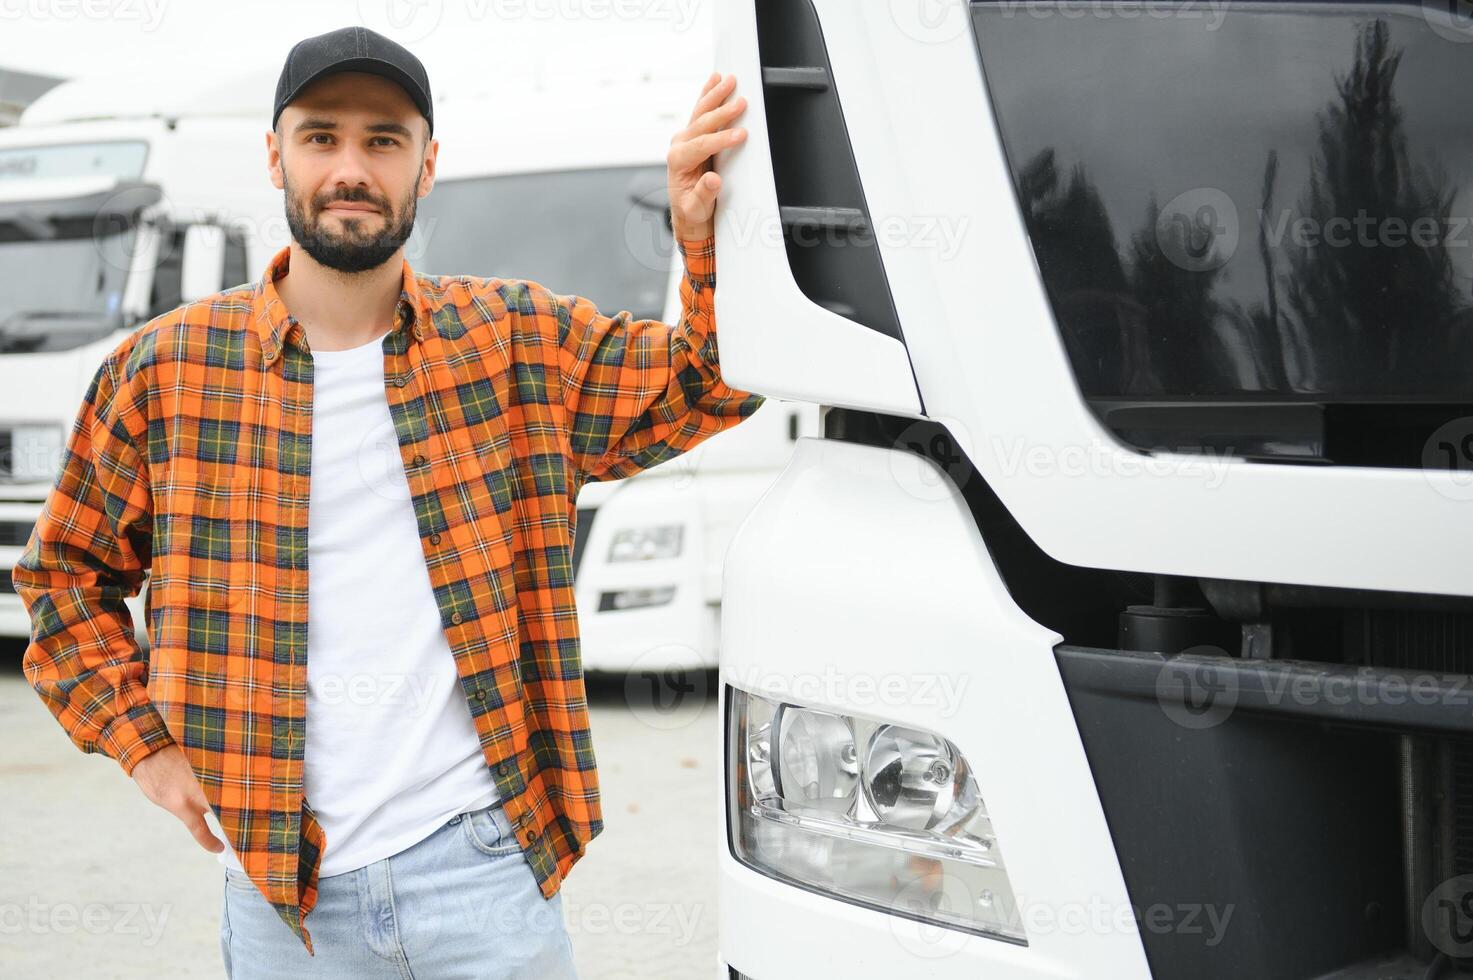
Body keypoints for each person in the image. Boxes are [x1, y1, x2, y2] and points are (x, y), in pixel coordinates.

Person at [14, 25, 763, 979]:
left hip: (484, 875)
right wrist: (148, 749)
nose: (350, 167)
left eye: (384, 139)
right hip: (284, 896)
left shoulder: (512, 343)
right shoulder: (168, 370)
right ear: (275, 154)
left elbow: (709, 381)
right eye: (321, 137)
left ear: (427, 164)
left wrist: (703, 238)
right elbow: (62, 577)